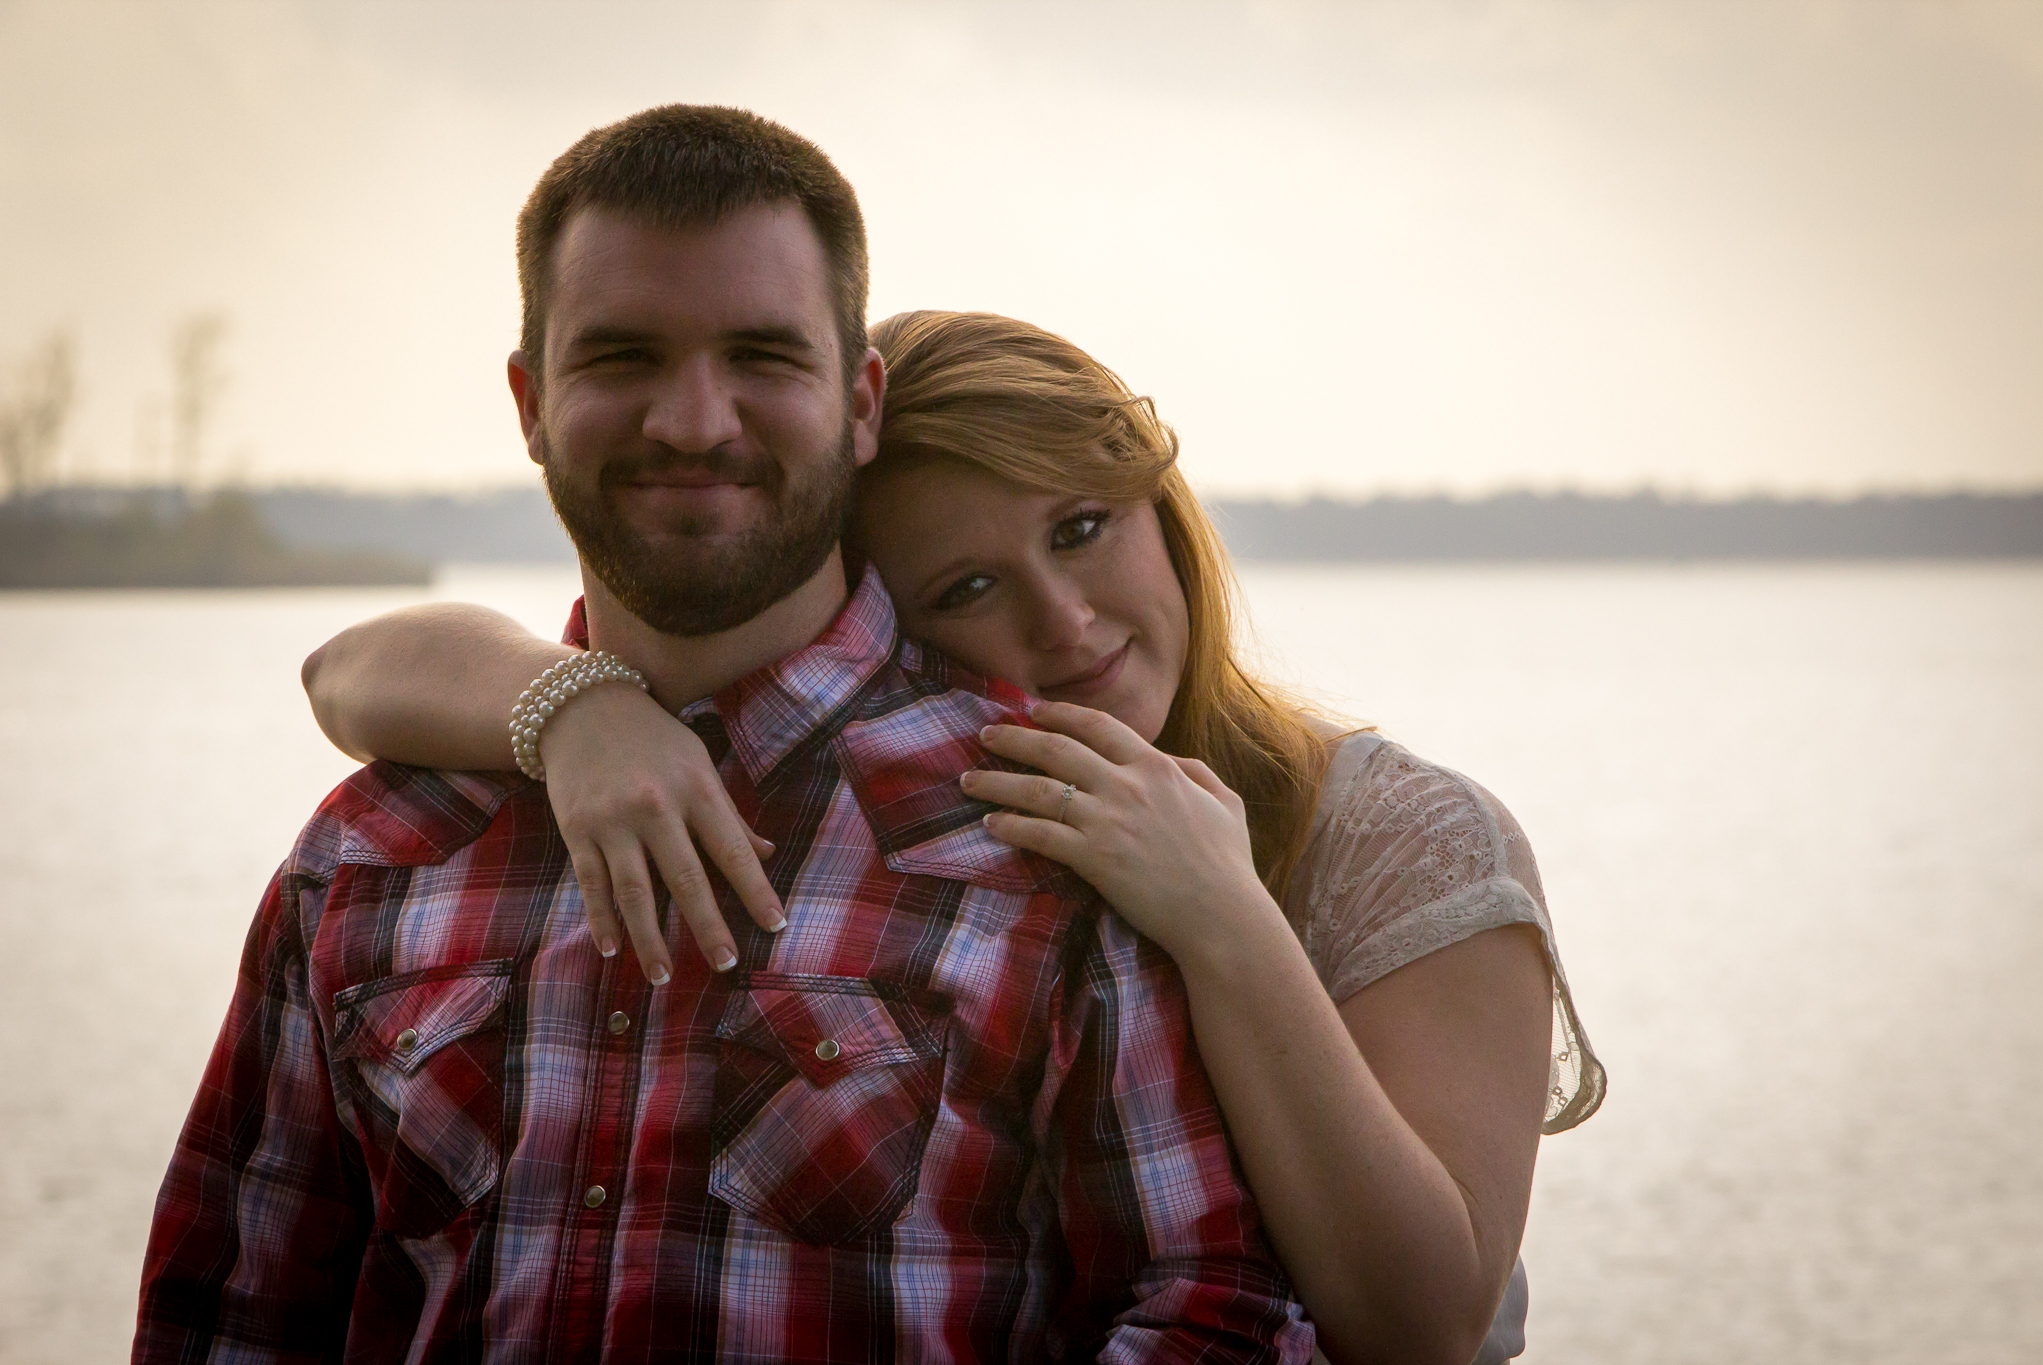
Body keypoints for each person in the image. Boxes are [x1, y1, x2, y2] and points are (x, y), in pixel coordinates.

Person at [134, 106, 1317, 1364]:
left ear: (859, 404)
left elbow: (1218, 1311)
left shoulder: (1046, 829)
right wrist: (574, 709)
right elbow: (231, 1314)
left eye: (761, 355)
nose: (693, 421)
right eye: (622, 359)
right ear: (531, 405)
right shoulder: (376, 849)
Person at [301, 298, 1606, 1364]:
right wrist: (576, 705)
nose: (1066, 620)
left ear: (1165, 507)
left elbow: (1425, 1323)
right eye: (968, 587)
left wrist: (1221, 916)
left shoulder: (1395, 833)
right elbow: (349, 668)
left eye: (1083, 529)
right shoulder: (940, 850)